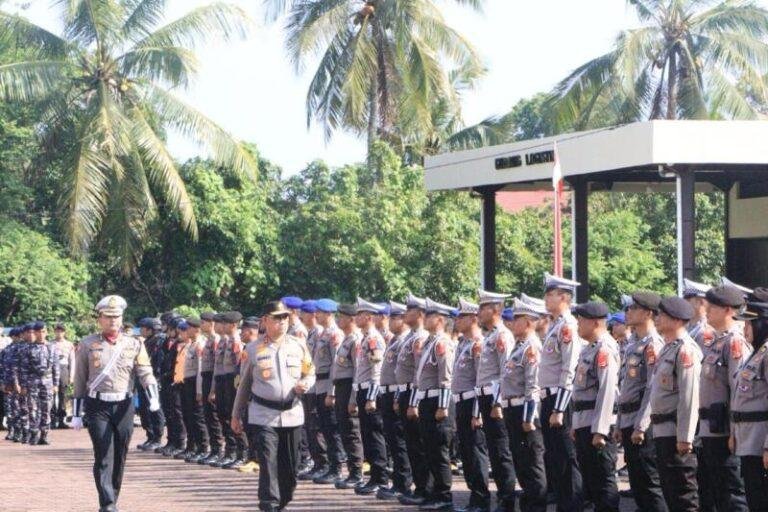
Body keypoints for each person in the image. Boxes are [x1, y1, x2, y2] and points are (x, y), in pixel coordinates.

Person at [71, 295, 160, 512]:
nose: (113, 321)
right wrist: (76, 413)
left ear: (122, 318)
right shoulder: (88, 344)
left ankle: (113, 497)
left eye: (116, 317)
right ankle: (107, 504)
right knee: (103, 454)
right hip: (97, 405)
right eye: (108, 317)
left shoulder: (134, 344)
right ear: (99, 319)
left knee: (120, 455)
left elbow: (145, 372)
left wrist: (154, 398)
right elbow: (80, 380)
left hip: (124, 406)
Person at [232, 300, 315, 512]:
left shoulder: (298, 346)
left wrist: (306, 383)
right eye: (277, 318)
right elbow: (244, 385)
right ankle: (269, 504)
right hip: (263, 414)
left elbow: (310, 372)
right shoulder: (252, 349)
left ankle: (283, 499)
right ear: (265, 321)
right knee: (268, 461)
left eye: (285, 317)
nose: (282, 322)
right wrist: (236, 415)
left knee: (290, 468)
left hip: (292, 413)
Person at [698, 285, 750, 511]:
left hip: (725, 432)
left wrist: (734, 431)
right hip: (711, 429)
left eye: (712, 307)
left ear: (728, 309)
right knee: (717, 491)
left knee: (732, 494)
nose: (706, 310)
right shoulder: (717, 342)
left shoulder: (735, 342)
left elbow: (739, 389)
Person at [614, 292, 667, 512]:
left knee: (649, 483)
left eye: (633, 308)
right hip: (628, 418)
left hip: (641, 422)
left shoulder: (653, 344)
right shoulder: (633, 344)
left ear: (647, 313)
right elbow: (625, 387)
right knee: (637, 483)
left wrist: (641, 425)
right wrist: (619, 424)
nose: (628, 312)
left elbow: (652, 388)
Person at [649, 296, 702, 512]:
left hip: (676, 433)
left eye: (663, 315)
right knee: (670, 491)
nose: (658, 318)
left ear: (678, 320)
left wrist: (685, 437)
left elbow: (690, 397)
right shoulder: (667, 349)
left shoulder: (685, 350)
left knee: (684, 495)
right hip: (663, 430)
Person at [496, 297, 548, 512]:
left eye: (516, 319)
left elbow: (533, 384)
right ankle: (528, 504)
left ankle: (536, 506)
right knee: (521, 462)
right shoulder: (519, 347)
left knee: (532, 463)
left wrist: (528, 417)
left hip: (523, 411)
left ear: (528, 322)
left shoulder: (532, 347)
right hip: (512, 408)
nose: (511, 323)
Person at [539, 272, 584, 511]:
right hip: (550, 397)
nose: (546, 298)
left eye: (551, 294)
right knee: (556, 457)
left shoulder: (567, 326)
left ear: (564, 297)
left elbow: (569, 368)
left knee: (567, 457)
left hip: (560, 399)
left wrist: (558, 407)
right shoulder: (554, 326)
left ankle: (572, 506)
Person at [572, 301, 620, 512]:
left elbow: (607, 390)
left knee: (603, 481)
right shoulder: (589, 349)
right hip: (585, 421)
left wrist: (600, 430)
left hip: (596, 424)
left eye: (581, 320)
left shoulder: (604, 349)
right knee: (591, 480)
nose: (577, 325)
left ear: (594, 323)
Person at [473, 289, 517, 512]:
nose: (478, 312)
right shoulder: (490, 336)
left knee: (501, 452)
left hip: (494, 399)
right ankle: (502, 497)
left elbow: (505, 373)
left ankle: (507, 500)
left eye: (483, 307)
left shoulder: (502, 335)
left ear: (496, 310)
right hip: (484, 397)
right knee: (494, 451)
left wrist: (498, 403)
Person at [411, 298, 455, 511]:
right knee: (429, 450)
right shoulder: (430, 342)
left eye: (429, 316)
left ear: (439, 319)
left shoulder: (442, 342)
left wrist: (443, 406)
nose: (424, 319)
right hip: (426, 399)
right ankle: (433, 492)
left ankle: (445, 496)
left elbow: (445, 376)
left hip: (437, 400)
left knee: (439, 452)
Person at [730, 288, 768, 511]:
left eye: (748, 324)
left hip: (760, 444)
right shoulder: (756, 354)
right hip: (749, 443)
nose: (744, 330)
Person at [396, 293, 433, 506]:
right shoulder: (412, 337)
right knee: (412, 444)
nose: (405, 314)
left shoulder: (419, 338)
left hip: (414, 393)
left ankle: (424, 488)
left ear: (419, 314)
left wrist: (414, 401)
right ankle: (420, 487)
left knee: (418, 445)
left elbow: (420, 374)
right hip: (406, 392)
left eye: (409, 311)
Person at [377, 300, 415, 500]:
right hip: (390, 392)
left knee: (400, 441)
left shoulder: (405, 340)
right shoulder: (395, 340)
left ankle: (403, 483)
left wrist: (400, 396)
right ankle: (399, 482)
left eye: (394, 317)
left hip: (398, 392)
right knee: (393, 439)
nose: (390, 321)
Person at [352, 298, 389, 495]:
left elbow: (377, 369)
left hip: (370, 391)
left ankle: (381, 478)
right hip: (363, 389)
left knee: (375, 436)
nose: (355, 318)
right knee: (367, 435)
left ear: (368, 317)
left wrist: (372, 397)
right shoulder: (365, 338)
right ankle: (374, 477)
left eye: (359, 315)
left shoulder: (373, 338)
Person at [327, 303, 365, 488]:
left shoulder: (355, 340)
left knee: (351, 431)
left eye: (341, 316)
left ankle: (357, 473)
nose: (337, 319)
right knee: (343, 429)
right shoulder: (346, 339)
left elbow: (358, 371)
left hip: (349, 386)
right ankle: (351, 470)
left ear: (351, 319)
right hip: (341, 387)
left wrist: (353, 398)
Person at [312, 299, 346, 484]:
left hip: (328, 384)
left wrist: (331, 392)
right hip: (319, 384)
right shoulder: (323, 333)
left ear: (329, 314)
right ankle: (330, 466)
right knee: (324, 426)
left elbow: (336, 365)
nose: (316, 314)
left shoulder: (335, 334)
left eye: (320, 312)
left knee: (332, 429)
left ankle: (336, 468)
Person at [209, 311, 248, 469]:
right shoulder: (225, 342)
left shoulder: (236, 342)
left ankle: (241, 452)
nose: (221, 326)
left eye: (224, 323)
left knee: (234, 416)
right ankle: (231, 451)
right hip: (223, 381)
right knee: (224, 415)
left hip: (232, 382)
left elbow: (239, 367)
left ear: (233, 325)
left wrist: (237, 387)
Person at [297, 299, 328, 480]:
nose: (302, 316)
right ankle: (318, 462)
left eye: (304, 313)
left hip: (318, 385)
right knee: (310, 425)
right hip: (310, 385)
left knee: (318, 427)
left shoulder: (321, 334)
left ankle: (324, 463)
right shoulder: (311, 334)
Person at [179, 318, 210, 462]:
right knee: (189, 416)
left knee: (198, 418)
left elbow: (199, 371)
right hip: (187, 383)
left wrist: (199, 391)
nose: (187, 330)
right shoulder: (191, 345)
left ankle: (203, 447)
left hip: (195, 384)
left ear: (196, 329)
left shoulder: (200, 345)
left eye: (189, 328)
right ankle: (193, 446)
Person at [23, 321, 59, 445]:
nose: (41, 334)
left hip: (47, 381)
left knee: (46, 408)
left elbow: (56, 367)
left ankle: (44, 435)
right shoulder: (28, 348)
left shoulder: (52, 347)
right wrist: (24, 385)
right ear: (35, 333)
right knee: (32, 408)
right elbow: (24, 368)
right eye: (39, 332)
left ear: (47, 332)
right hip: (33, 381)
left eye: (44, 331)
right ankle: (33, 434)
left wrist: (55, 384)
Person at [197, 311, 224, 465]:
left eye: (203, 322)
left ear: (211, 323)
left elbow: (216, 367)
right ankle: (214, 449)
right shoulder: (209, 340)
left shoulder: (216, 340)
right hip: (207, 378)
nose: (201, 325)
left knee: (214, 416)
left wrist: (213, 389)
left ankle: (218, 449)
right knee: (208, 415)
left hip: (213, 379)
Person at [136, 317, 166, 451]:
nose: (141, 330)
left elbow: (159, 363)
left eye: (143, 328)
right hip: (144, 380)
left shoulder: (159, 342)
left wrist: (157, 379)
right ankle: (150, 435)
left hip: (153, 380)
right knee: (145, 410)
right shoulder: (147, 342)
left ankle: (157, 438)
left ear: (150, 329)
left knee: (154, 409)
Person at [51, 323, 74, 429]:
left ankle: (61, 420)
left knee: (63, 395)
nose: (59, 333)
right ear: (54, 332)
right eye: (57, 331)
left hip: (64, 368)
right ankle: (52, 419)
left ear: (64, 332)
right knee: (51, 395)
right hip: (52, 370)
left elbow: (72, 360)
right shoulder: (50, 344)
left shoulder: (69, 344)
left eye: (61, 331)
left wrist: (71, 375)